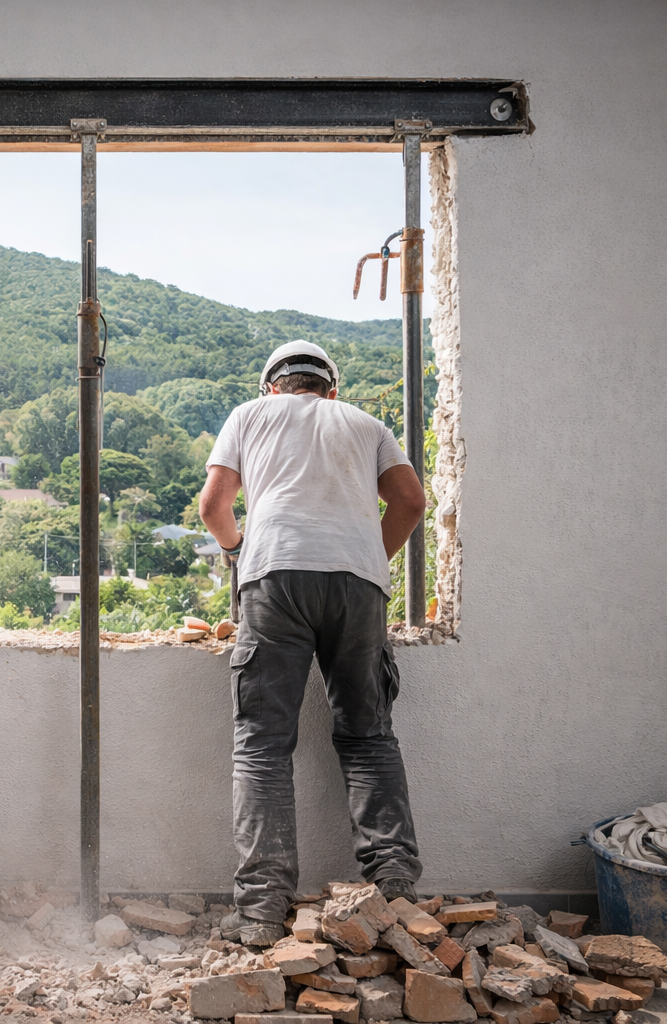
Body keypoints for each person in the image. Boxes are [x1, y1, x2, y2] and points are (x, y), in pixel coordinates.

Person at [198, 339, 428, 947]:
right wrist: (370, 558)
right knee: (368, 736)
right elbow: (410, 502)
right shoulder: (364, 422)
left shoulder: (250, 415)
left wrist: (234, 549)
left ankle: (262, 913)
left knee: (263, 745)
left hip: (275, 576)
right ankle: (396, 891)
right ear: (331, 389)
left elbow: (213, 505)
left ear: (271, 385)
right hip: (359, 586)